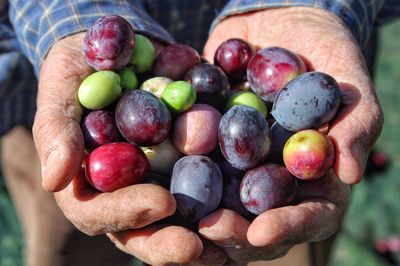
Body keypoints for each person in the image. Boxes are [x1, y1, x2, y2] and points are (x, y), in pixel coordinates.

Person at [1, 0, 394, 265]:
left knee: (281, 239)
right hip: (30, 70)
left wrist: (307, 6)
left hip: (277, 45)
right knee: (72, 237)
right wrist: (73, 17)